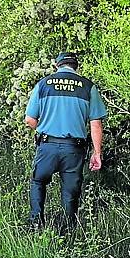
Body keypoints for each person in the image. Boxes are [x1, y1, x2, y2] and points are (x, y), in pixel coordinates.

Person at [24, 52, 107, 232]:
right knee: (70, 192)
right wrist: (97, 153)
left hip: (47, 146)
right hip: (74, 148)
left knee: (38, 182)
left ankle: (36, 224)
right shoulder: (88, 87)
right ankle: (67, 232)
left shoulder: (43, 84)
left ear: (57, 65)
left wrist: (45, 126)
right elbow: (96, 124)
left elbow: (30, 120)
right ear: (76, 66)